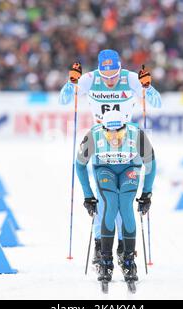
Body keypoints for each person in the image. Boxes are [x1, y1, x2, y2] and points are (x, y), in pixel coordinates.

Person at [58, 49, 161, 267]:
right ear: (99, 72)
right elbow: (64, 100)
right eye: (106, 77)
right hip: (101, 140)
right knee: (105, 203)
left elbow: (157, 103)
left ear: (120, 67)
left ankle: (125, 247)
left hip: (127, 138)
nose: (111, 80)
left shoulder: (130, 77)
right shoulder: (90, 79)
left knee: (124, 203)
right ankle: (100, 245)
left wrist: (147, 87)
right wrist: (71, 82)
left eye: (114, 74)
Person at [75, 110, 156, 283]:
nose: (114, 137)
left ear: (125, 128)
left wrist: (146, 194)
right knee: (110, 205)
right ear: (103, 128)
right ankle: (105, 260)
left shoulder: (137, 135)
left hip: (129, 169)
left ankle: (128, 260)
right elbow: (79, 165)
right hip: (105, 170)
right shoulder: (94, 135)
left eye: (119, 132)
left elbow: (151, 164)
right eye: (109, 132)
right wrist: (88, 196)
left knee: (125, 206)